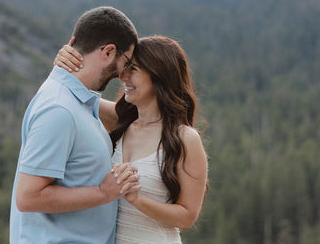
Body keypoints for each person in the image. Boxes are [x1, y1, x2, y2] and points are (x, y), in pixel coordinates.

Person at [55, 35, 209, 243]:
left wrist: (137, 199)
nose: (123, 75)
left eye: (133, 69)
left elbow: (187, 217)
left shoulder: (185, 139)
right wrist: (67, 61)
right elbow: (71, 93)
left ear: (159, 75)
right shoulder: (121, 121)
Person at [10, 6, 142, 243]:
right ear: (109, 52)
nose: (124, 74)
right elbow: (28, 197)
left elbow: (131, 119)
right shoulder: (60, 110)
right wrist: (104, 193)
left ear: (72, 42)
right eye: (127, 62)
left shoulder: (79, 102)